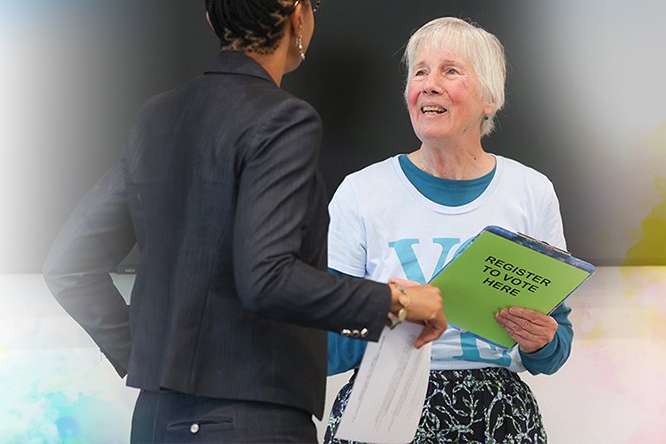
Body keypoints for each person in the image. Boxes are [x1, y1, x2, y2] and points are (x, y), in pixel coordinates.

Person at [42, 1, 446, 443]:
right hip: (248, 423)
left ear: (213, 18)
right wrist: (397, 301)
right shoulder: (283, 118)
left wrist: (145, 358)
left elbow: (69, 265)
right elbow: (268, 276)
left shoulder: (155, 116)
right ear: (298, 16)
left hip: (156, 420)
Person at [323, 17, 572, 443]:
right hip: (383, 405)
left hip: (499, 415)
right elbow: (323, 348)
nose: (429, 84)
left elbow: (554, 347)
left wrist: (542, 340)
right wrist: (391, 309)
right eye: (420, 71)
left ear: (489, 99)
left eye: (450, 71)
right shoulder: (360, 192)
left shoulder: (532, 191)